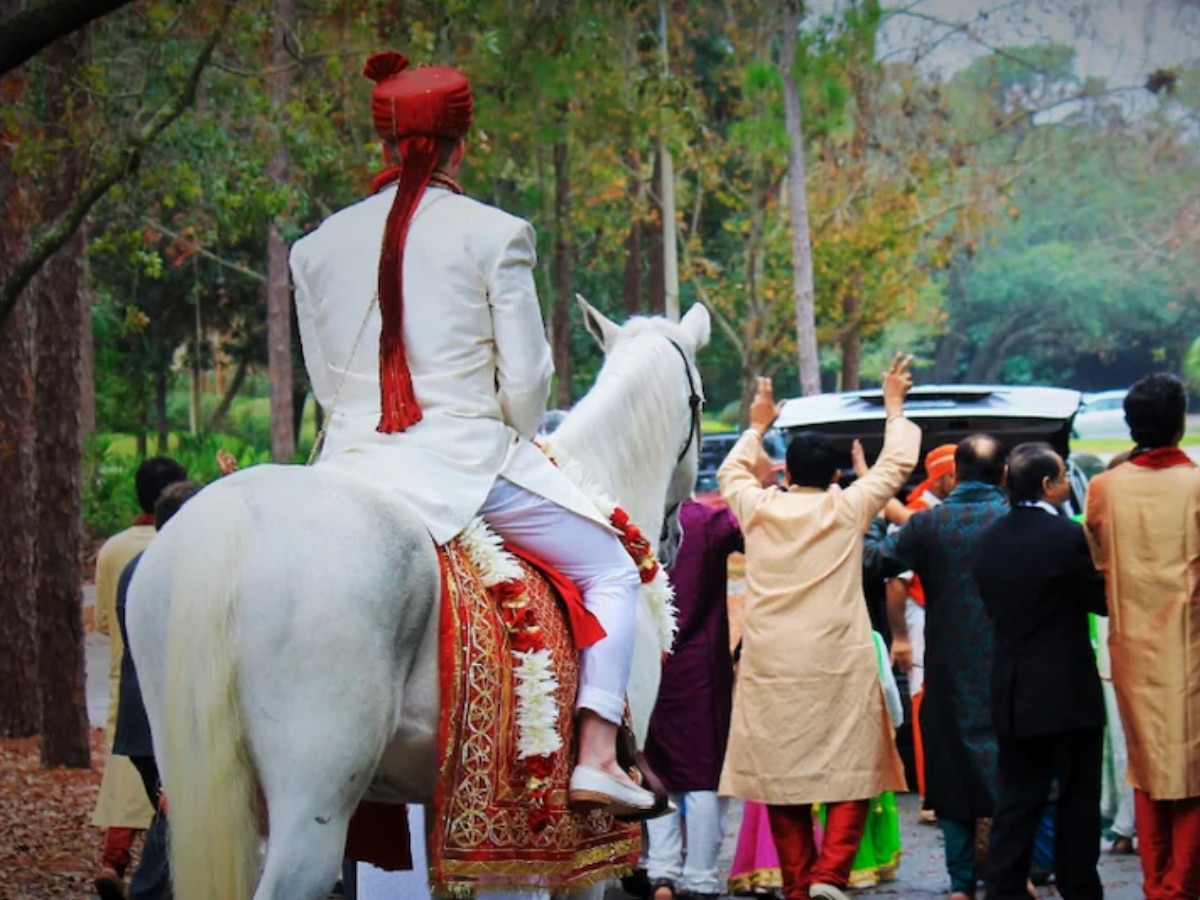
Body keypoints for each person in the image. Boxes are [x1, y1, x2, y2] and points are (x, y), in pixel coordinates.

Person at [290, 51, 653, 815]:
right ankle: (594, 756)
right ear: (461, 145)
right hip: (461, 465)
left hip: (343, 469)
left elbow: (326, 388)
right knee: (614, 570)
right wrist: (518, 437)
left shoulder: (314, 246)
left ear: (382, 146)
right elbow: (526, 381)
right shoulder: (497, 233)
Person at [717, 355, 920, 900]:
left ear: (784, 474)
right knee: (855, 769)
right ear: (835, 475)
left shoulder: (757, 507)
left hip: (774, 665)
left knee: (780, 779)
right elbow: (897, 463)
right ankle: (831, 874)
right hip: (837, 660)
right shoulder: (849, 507)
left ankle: (799, 886)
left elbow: (730, 472)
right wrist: (893, 406)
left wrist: (757, 425)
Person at [865, 434, 1009, 900]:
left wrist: (862, 512)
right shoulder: (1014, 520)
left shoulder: (930, 524)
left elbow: (879, 562)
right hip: (1009, 667)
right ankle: (1011, 873)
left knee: (952, 775)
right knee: (1013, 771)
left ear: (956, 475)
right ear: (1003, 474)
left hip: (947, 666)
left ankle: (961, 882)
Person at [972, 443, 1106, 900]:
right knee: (1076, 798)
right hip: (1068, 691)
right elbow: (1098, 600)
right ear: (1049, 485)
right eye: (1063, 476)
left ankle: (1003, 889)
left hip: (1013, 689)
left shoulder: (988, 539)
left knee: (1016, 801)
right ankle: (1079, 886)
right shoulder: (1067, 537)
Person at [1085, 373, 1200, 898]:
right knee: (1192, 766)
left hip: (1131, 643)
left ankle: (1158, 883)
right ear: (1180, 422)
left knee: (1147, 765)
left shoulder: (1105, 487)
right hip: (1192, 643)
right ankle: (1179, 883)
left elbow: (1098, 560)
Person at [93, 456, 188, 900]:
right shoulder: (181, 564)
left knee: (152, 805)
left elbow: (107, 624)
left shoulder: (123, 556)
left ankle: (122, 866)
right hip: (167, 709)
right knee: (174, 808)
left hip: (132, 698)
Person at [643, 498, 744, 900]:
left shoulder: (632, 512)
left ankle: (661, 871)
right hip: (701, 662)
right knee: (703, 771)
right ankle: (700, 877)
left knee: (655, 763)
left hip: (647, 658)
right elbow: (753, 535)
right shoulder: (708, 520)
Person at [113, 481, 205, 900]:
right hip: (171, 718)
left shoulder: (138, 566)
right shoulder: (188, 568)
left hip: (139, 721)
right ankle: (150, 891)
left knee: (176, 819)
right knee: (179, 817)